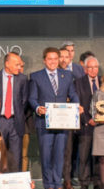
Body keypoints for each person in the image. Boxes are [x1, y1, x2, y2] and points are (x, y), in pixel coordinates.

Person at [29, 47, 81, 189]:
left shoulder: (68, 75)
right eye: (49, 59)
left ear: (58, 60)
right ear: (44, 60)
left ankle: (57, 184)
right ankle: (48, 185)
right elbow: (32, 98)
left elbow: (73, 94)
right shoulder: (35, 76)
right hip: (44, 122)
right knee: (46, 157)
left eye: (55, 59)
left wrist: (77, 106)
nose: (52, 61)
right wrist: (38, 108)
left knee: (59, 156)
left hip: (63, 122)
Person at [0, 52, 29, 172]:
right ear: (7, 64)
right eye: (16, 64)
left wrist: (19, 116)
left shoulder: (22, 79)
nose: (19, 67)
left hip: (15, 122)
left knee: (16, 157)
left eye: (20, 65)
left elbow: (25, 100)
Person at [69, 56, 101, 189]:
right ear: (85, 69)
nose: (93, 70)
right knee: (84, 156)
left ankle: (98, 182)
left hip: (102, 126)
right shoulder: (78, 82)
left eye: (95, 67)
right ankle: (84, 183)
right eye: (90, 67)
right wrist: (87, 120)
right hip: (85, 125)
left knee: (99, 156)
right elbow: (78, 105)